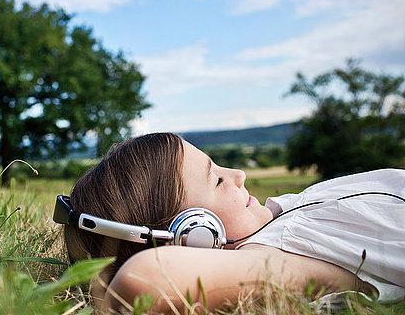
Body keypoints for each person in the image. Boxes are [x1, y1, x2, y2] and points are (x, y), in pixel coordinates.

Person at [58, 132, 405, 313]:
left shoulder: (275, 217)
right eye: (217, 180)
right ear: (196, 235)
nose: (238, 174)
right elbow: (144, 280)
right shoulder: (279, 256)